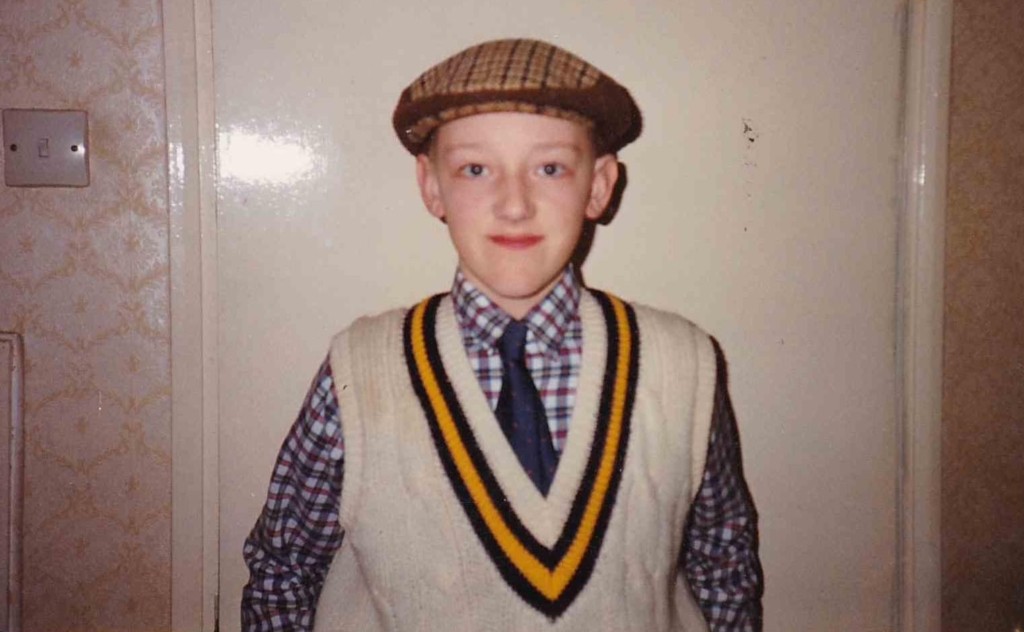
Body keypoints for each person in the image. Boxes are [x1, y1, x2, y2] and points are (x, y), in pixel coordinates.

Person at [241, 38, 763, 632]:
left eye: (549, 168)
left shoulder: (683, 367)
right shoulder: (360, 374)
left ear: (598, 185)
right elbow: (283, 569)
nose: (514, 204)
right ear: (431, 186)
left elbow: (724, 562)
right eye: (475, 169)